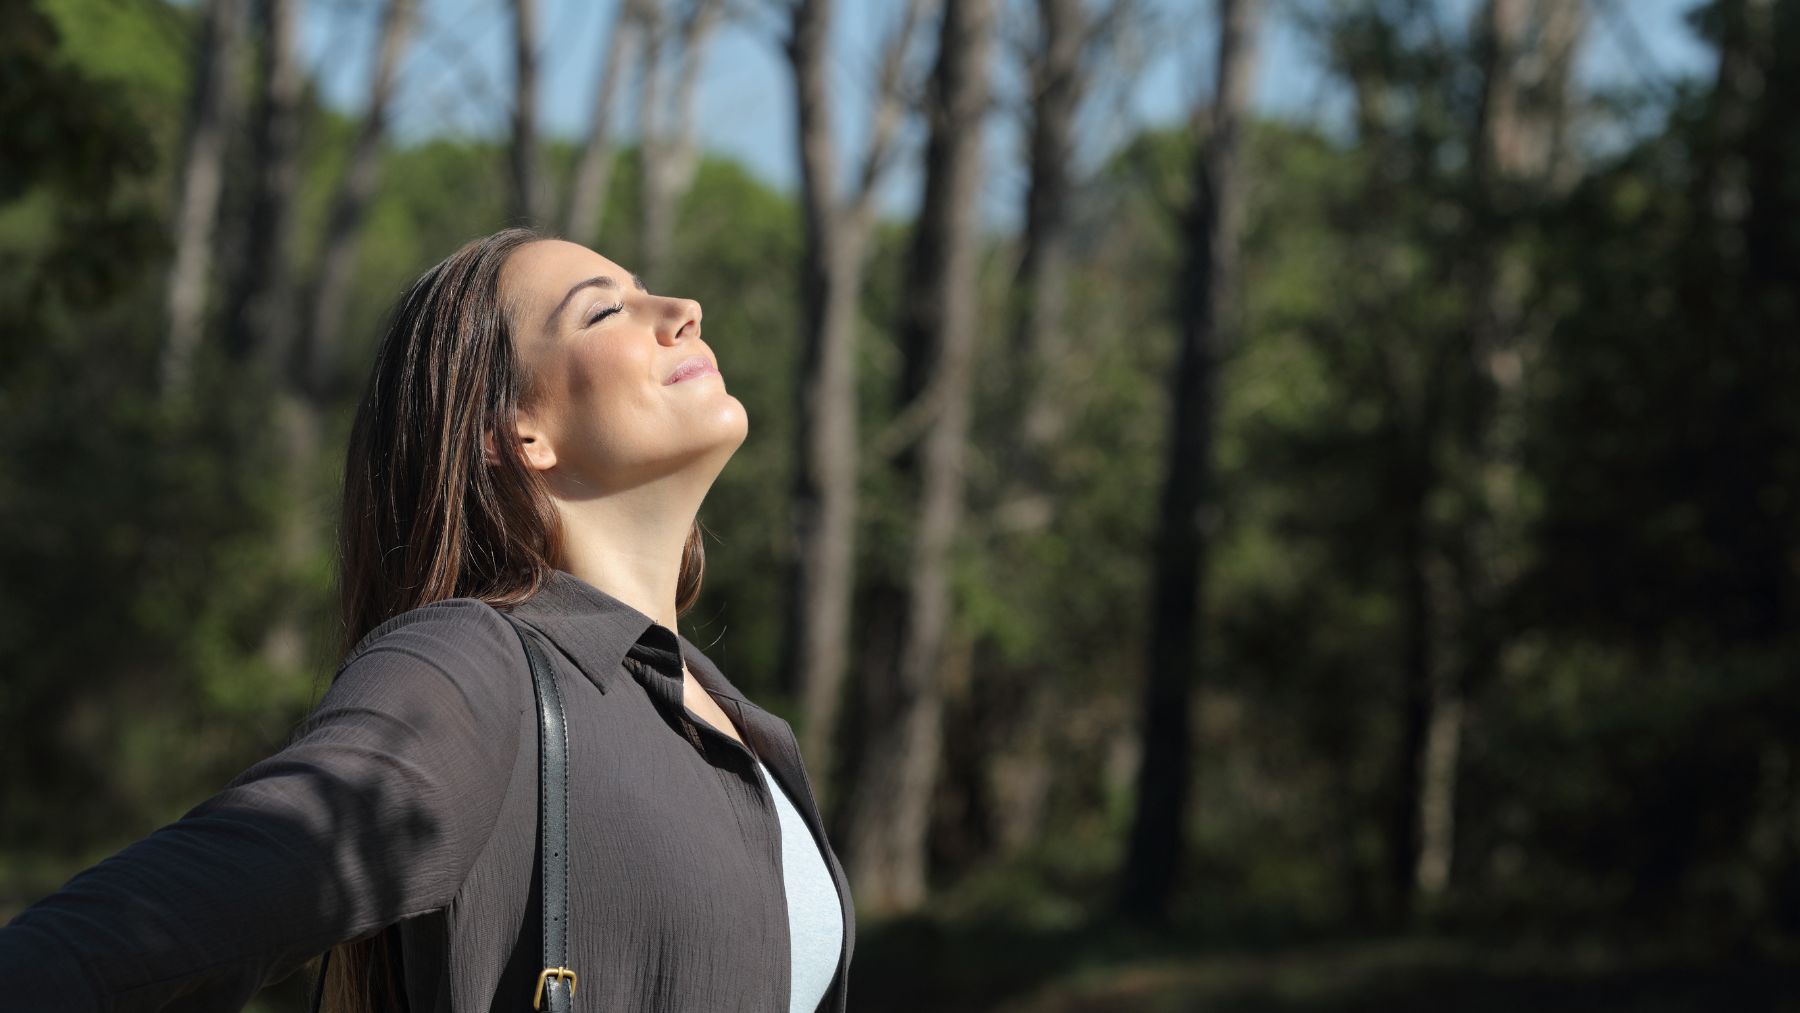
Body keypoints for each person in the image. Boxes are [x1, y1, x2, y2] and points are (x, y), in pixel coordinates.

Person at [0, 227, 854, 1012]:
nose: (683, 312)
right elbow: (143, 930)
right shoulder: (475, 669)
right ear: (518, 434)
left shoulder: (746, 726)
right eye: (606, 309)